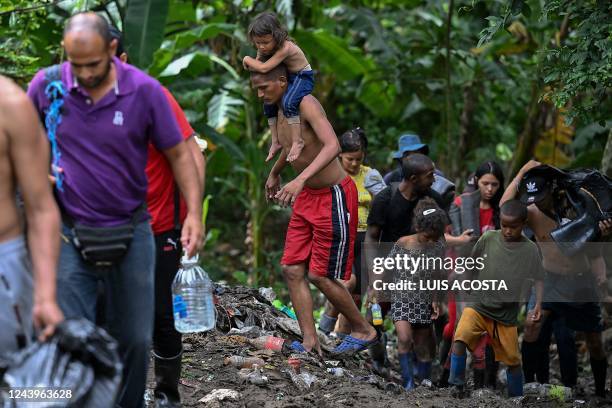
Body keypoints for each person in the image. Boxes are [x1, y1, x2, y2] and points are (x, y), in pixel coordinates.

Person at [27, 13, 203, 407]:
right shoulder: (48, 85)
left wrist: (193, 215)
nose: (85, 74)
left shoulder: (145, 91)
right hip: (70, 232)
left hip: (134, 229)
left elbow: (180, 153)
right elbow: (21, 137)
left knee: (135, 338)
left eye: (93, 64)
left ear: (112, 50)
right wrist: (38, 169)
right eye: (77, 64)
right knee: (74, 335)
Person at [109, 27, 207, 407]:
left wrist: (194, 215)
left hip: (158, 223)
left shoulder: (153, 96)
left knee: (162, 315)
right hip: (105, 226)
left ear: (124, 59)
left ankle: (167, 393)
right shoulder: (75, 101)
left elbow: (190, 153)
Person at [251, 63, 377, 355]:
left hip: (333, 195)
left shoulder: (305, 102)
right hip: (307, 195)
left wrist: (300, 179)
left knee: (320, 274)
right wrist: (276, 172)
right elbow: (291, 145)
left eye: (264, 87)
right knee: (291, 268)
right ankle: (309, 340)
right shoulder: (277, 109)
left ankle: (364, 328)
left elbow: (333, 146)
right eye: (256, 88)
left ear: (282, 81)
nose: (259, 95)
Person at [501, 160, 608, 398]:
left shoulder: (577, 205)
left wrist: (604, 233)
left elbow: (595, 246)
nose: (537, 200)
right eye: (532, 196)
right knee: (531, 327)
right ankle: (528, 387)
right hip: (549, 279)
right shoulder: (530, 212)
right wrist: (521, 172)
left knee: (594, 341)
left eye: (540, 194)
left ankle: (600, 392)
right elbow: (505, 205)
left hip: (582, 281)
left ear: (551, 188)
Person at [449, 200, 544, 398]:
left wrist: (538, 305)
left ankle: (516, 397)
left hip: (505, 313)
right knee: (460, 338)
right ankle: (456, 386)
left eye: (513, 227)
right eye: (504, 225)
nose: (508, 231)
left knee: (512, 360)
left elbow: (538, 279)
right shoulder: (489, 238)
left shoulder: (530, 249)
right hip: (479, 304)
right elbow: (471, 264)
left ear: (524, 224)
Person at [0, 75, 64, 353]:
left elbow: (40, 208)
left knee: (19, 382)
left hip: (5, 263)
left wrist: (46, 296)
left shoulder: (10, 104)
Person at [442, 160, 506, 388]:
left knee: (489, 328)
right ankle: (447, 376)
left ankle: (484, 383)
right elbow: (440, 236)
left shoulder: (503, 209)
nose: (489, 189)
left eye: (495, 185)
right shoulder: (461, 205)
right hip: (461, 270)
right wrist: (460, 241)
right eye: (485, 183)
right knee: (456, 325)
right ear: (476, 181)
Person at [319, 127, 386, 337]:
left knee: (355, 298)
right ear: (339, 154)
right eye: (350, 159)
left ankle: (338, 343)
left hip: (366, 238)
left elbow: (383, 202)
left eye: (359, 159)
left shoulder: (371, 176)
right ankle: (323, 331)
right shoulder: (331, 174)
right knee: (345, 286)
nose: (355, 164)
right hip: (341, 238)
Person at [387, 197, 447, 390]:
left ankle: (424, 382)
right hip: (401, 297)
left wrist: (437, 300)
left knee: (422, 345)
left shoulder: (438, 247)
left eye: (434, 238)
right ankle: (408, 383)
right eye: (426, 237)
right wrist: (375, 288)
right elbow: (386, 267)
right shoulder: (403, 243)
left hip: (423, 300)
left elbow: (439, 273)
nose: (429, 241)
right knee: (404, 338)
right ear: (418, 228)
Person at [244, 11, 314, 163]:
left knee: (289, 102)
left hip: (302, 77)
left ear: (276, 36)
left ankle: (297, 141)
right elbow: (259, 71)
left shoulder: (286, 47)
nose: (261, 47)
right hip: (288, 77)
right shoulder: (264, 48)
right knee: (268, 105)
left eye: (265, 42)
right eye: (258, 43)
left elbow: (263, 68)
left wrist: (246, 59)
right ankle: (275, 141)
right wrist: (253, 63)